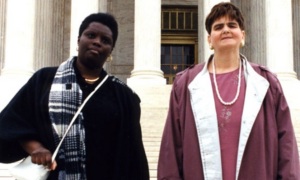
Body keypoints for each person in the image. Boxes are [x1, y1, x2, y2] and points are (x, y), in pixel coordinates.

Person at [157, 2, 300, 180]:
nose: (226, 30)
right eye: (218, 27)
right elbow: (171, 149)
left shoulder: (266, 83)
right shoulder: (185, 84)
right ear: (209, 39)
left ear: (243, 36)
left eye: (232, 25)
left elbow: (286, 146)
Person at [0, 12, 149, 180]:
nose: (97, 42)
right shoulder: (43, 80)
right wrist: (36, 148)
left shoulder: (124, 96)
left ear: (111, 51)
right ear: (79, 40)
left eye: (105, 40)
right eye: (91, 35)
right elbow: (11, 124)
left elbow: (133, 155)